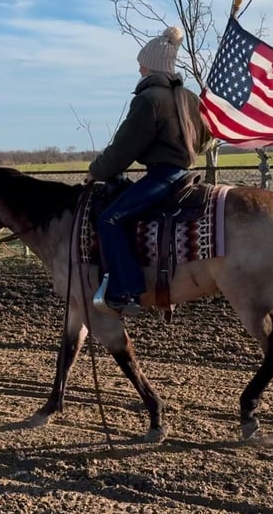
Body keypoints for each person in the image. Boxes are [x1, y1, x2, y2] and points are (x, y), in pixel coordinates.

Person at [87, 25, 212, 317]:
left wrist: (97, 170)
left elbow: (123, 148)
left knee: (110, 220)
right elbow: (206, 141)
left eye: (142, 64)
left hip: (163, 176)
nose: (139, 68)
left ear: (153, 66)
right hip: (183, 174)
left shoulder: (149, 100)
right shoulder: (190, 99)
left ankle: (127, 290)